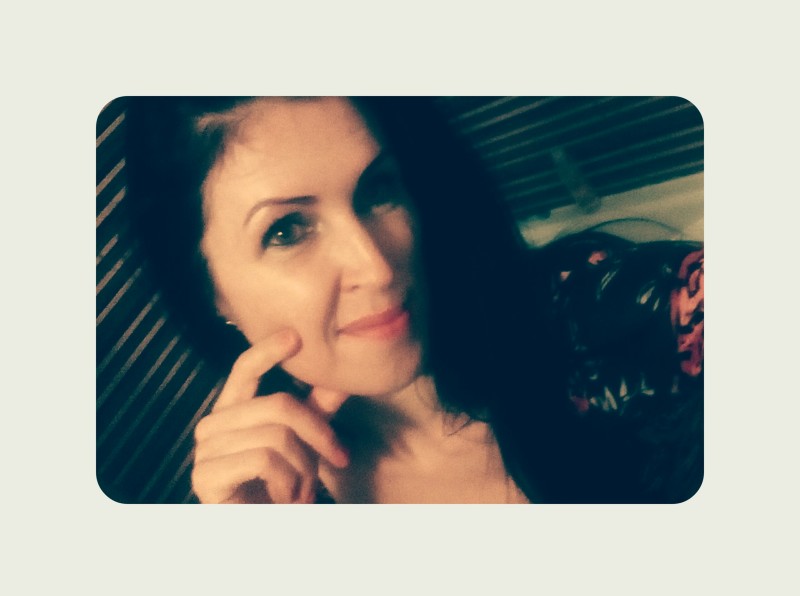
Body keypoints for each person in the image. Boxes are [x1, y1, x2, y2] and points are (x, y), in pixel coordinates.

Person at [122, 96, 703, 504]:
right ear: (211, 293)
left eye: (378, 189)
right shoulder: (279, 502)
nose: (376, 267)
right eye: (288, 230)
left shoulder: (597, 319)